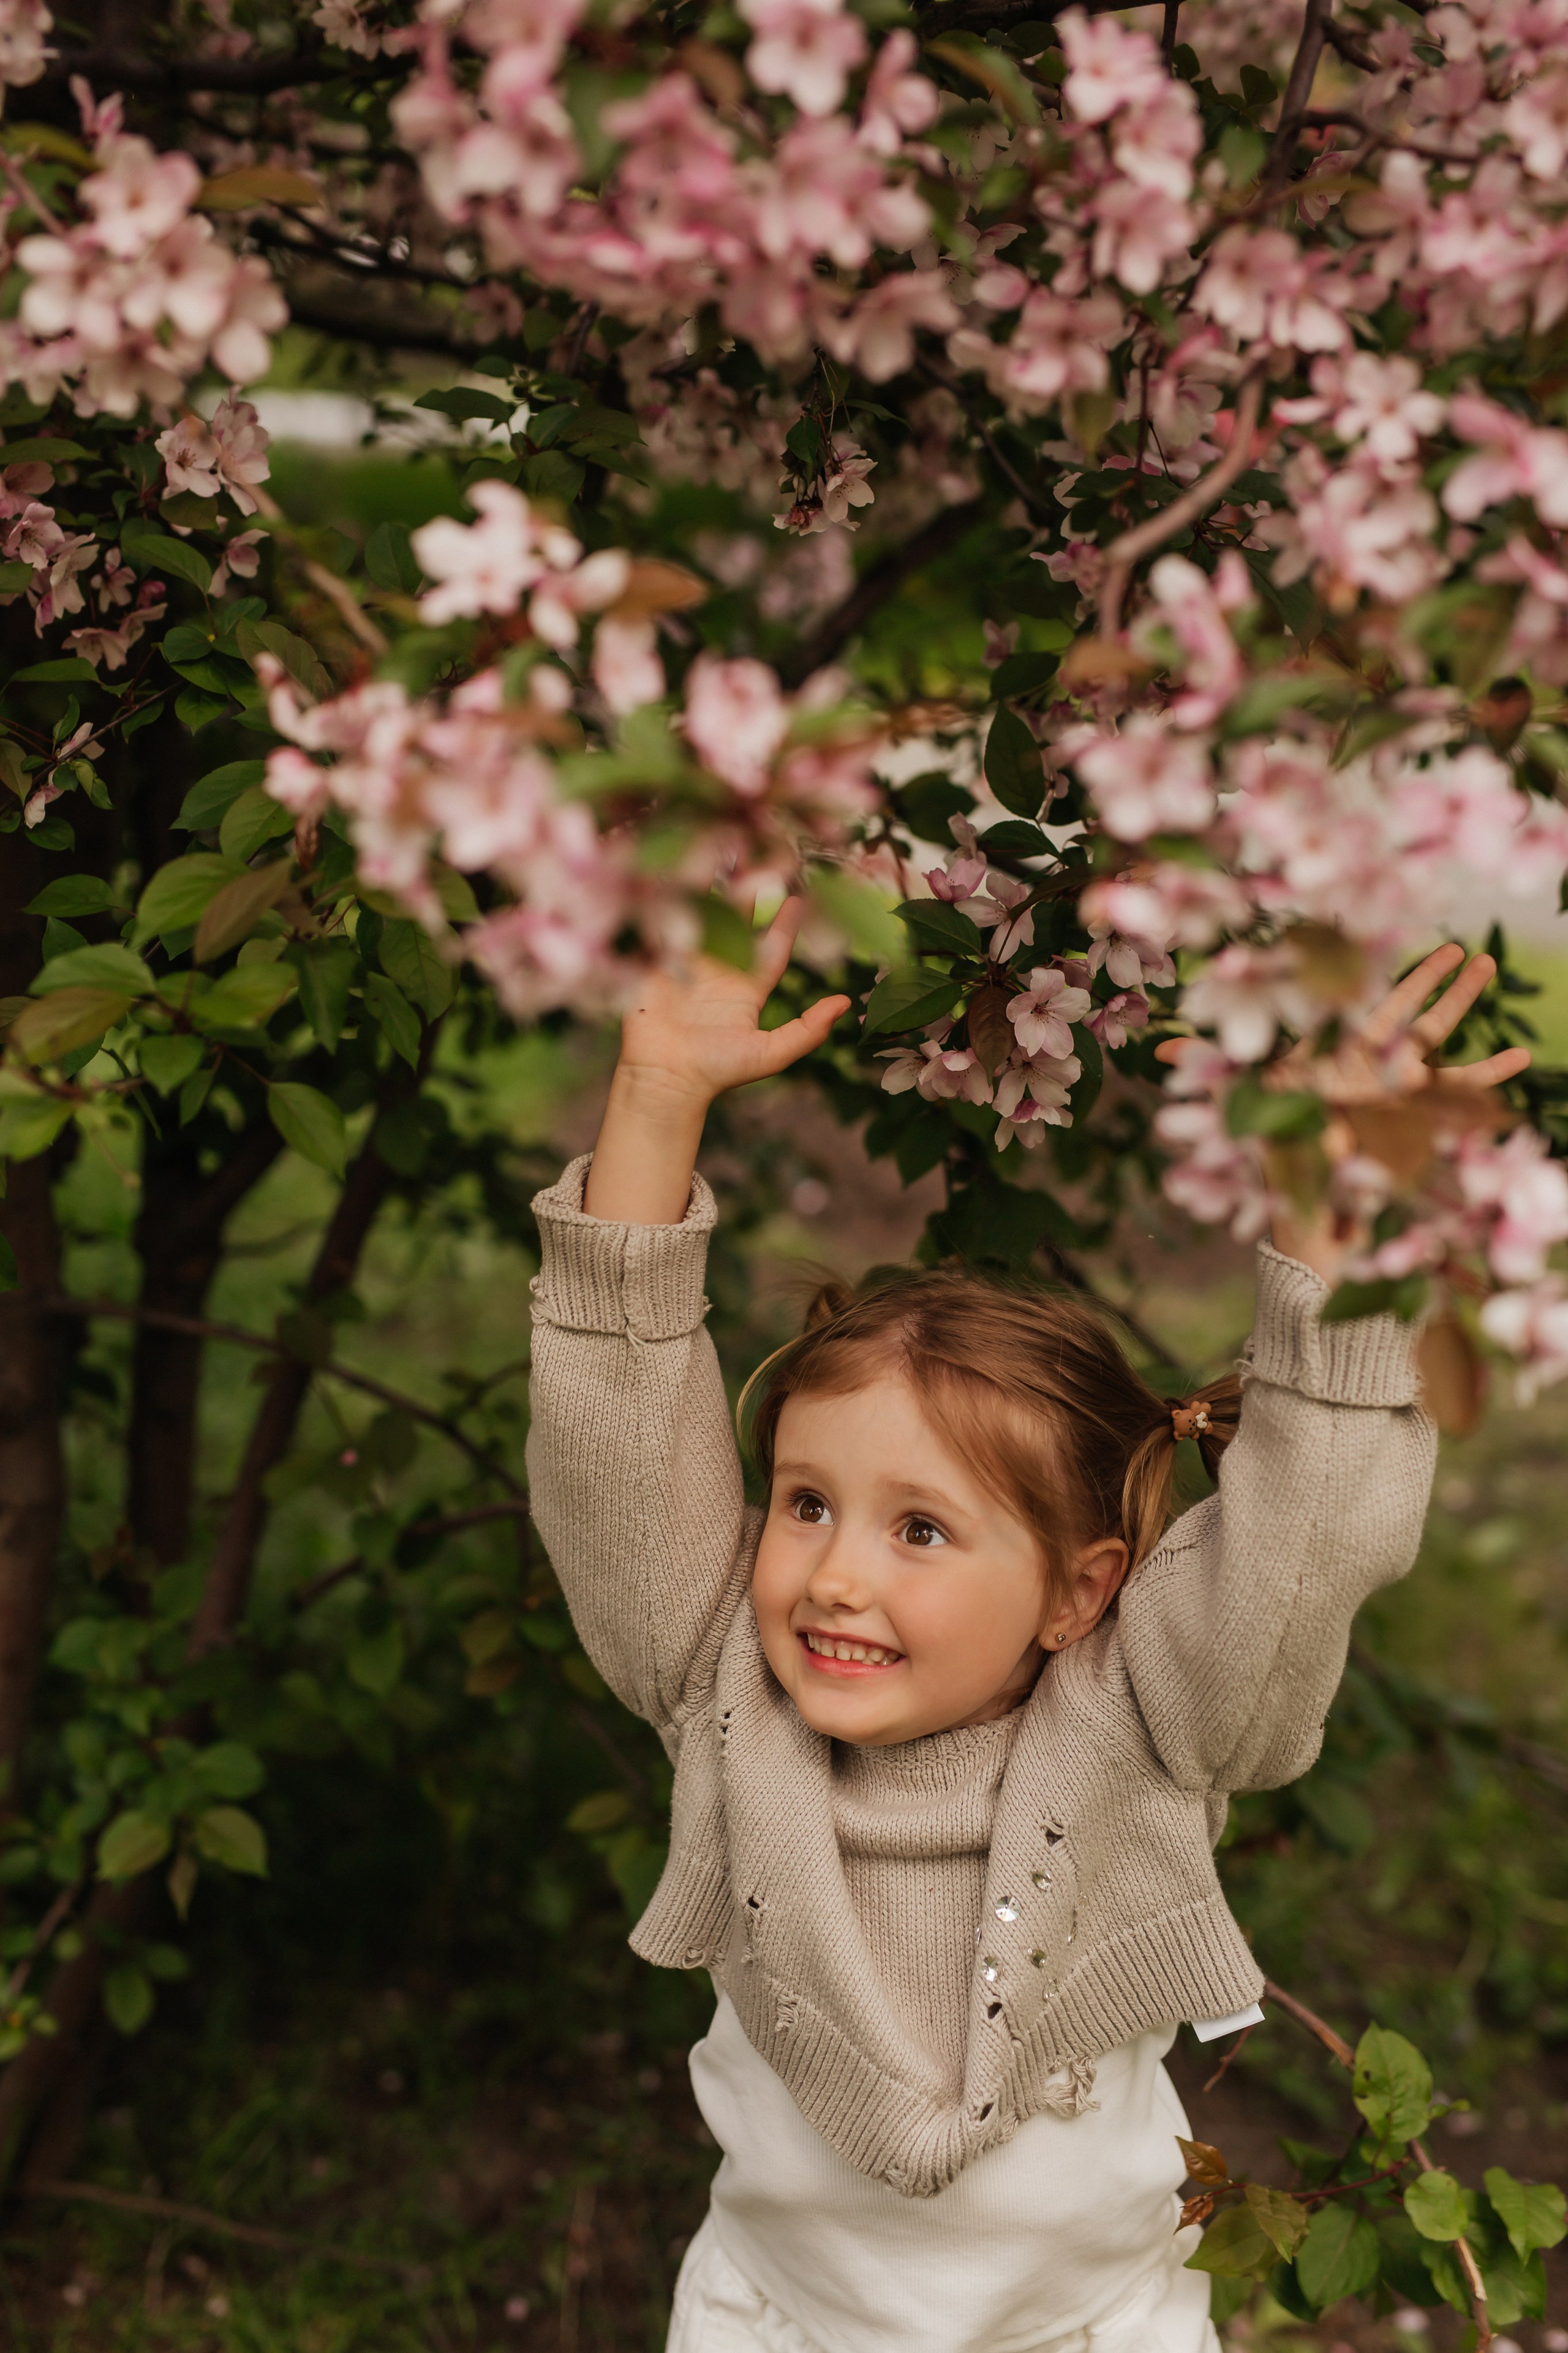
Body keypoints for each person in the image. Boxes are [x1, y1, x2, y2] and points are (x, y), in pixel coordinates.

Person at [526, 906, 1526, 2353]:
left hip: (1092, 2329)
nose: (833, 1577)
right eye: (804, 1502)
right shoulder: (720, 1673)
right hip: (777, 2321)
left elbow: (1302, 1542)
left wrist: (1332, 1195)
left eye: (920, 1530)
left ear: (1077, 1589)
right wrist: (655, 1097)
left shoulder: (1148, 1715)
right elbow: (613, 1438)